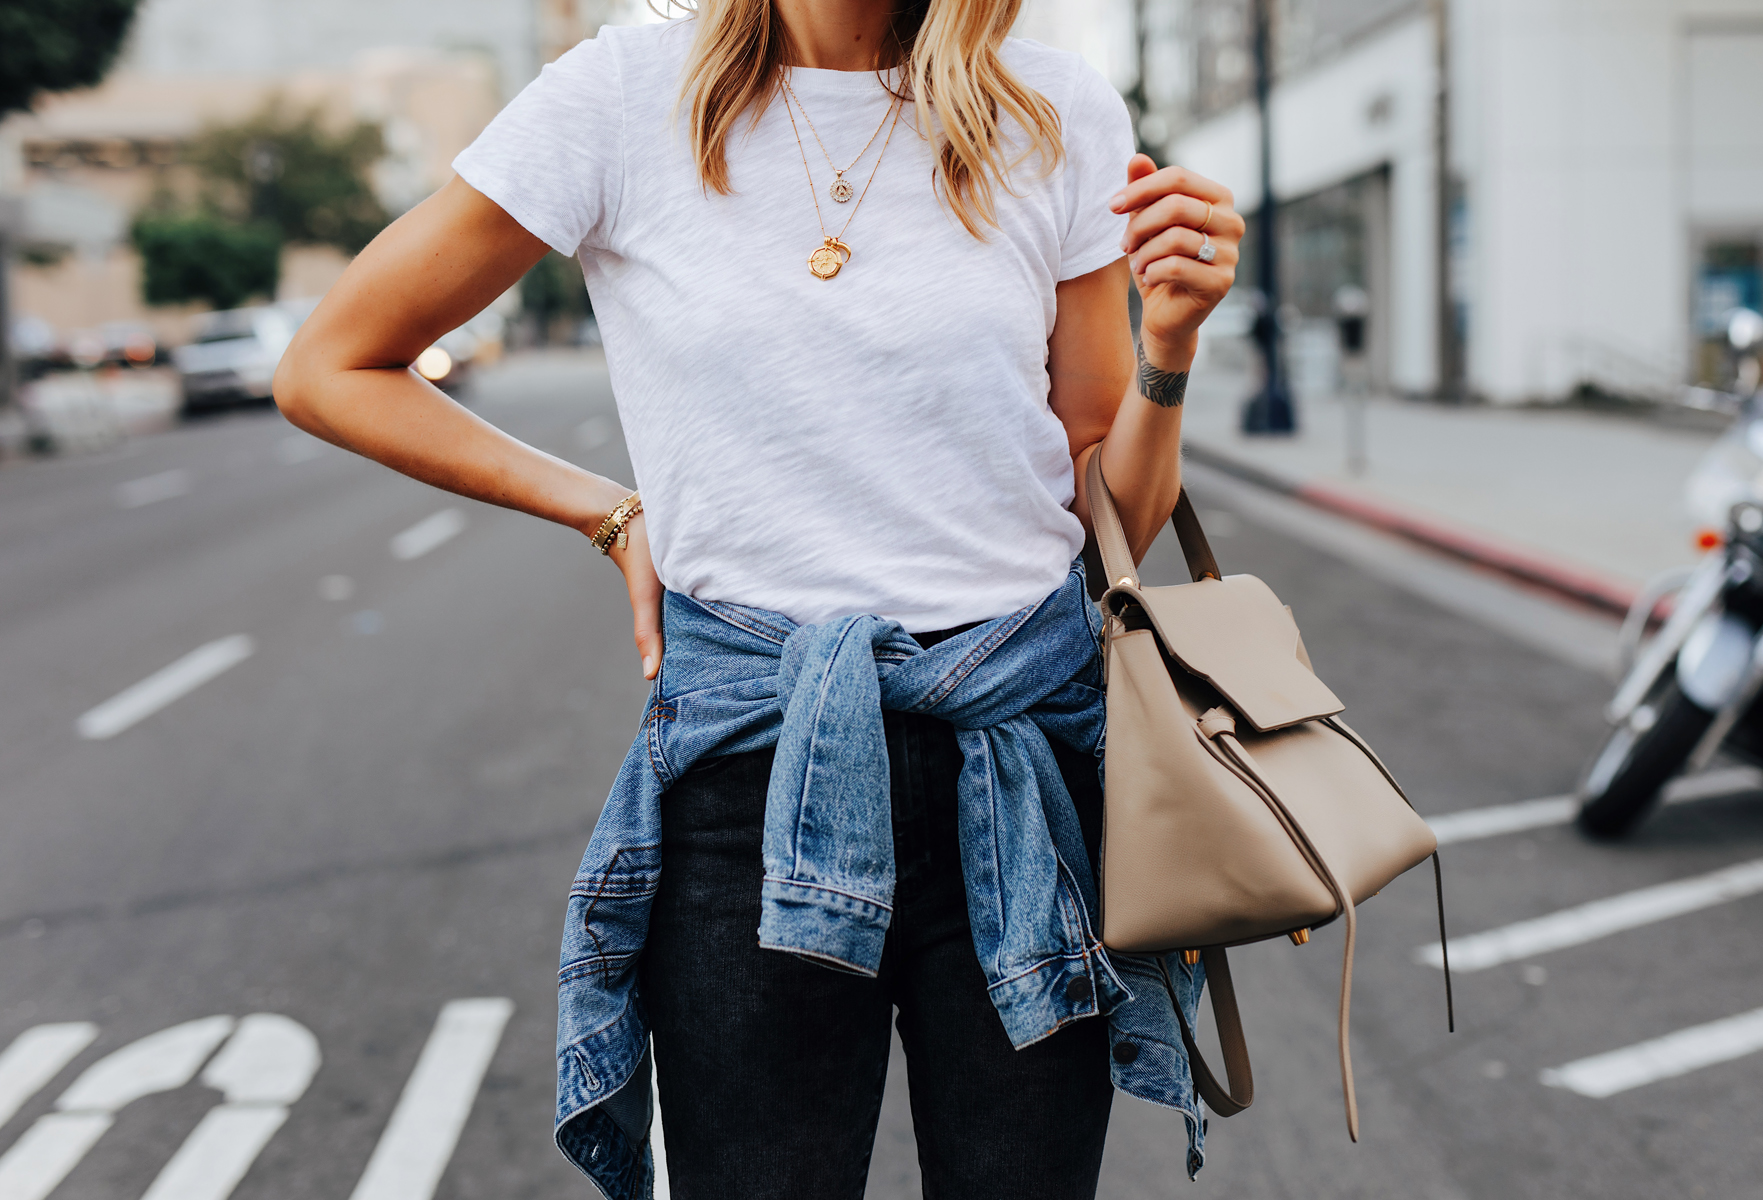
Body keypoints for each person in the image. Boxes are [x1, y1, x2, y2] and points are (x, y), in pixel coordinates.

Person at [274, 0, 1242, 1195]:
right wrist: (609, 512)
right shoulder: (621, 95)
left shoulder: (1053, 111)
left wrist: (1172, 347)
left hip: (1020, 769)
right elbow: (332, 365)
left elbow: (1112, 507)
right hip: (751, 773)